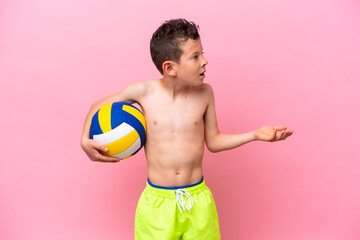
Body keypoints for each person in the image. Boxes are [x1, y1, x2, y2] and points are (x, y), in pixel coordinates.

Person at [81, 18, 293, 240]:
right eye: (195, 56)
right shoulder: (143, 92)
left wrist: (254, 135)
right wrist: (85, 140)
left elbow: (214, 142)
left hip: (197, 200)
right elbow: (97, 106)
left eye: (202, 53)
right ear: (170, 68)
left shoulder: (205, 94)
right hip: (157, 204)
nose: (205, 61)